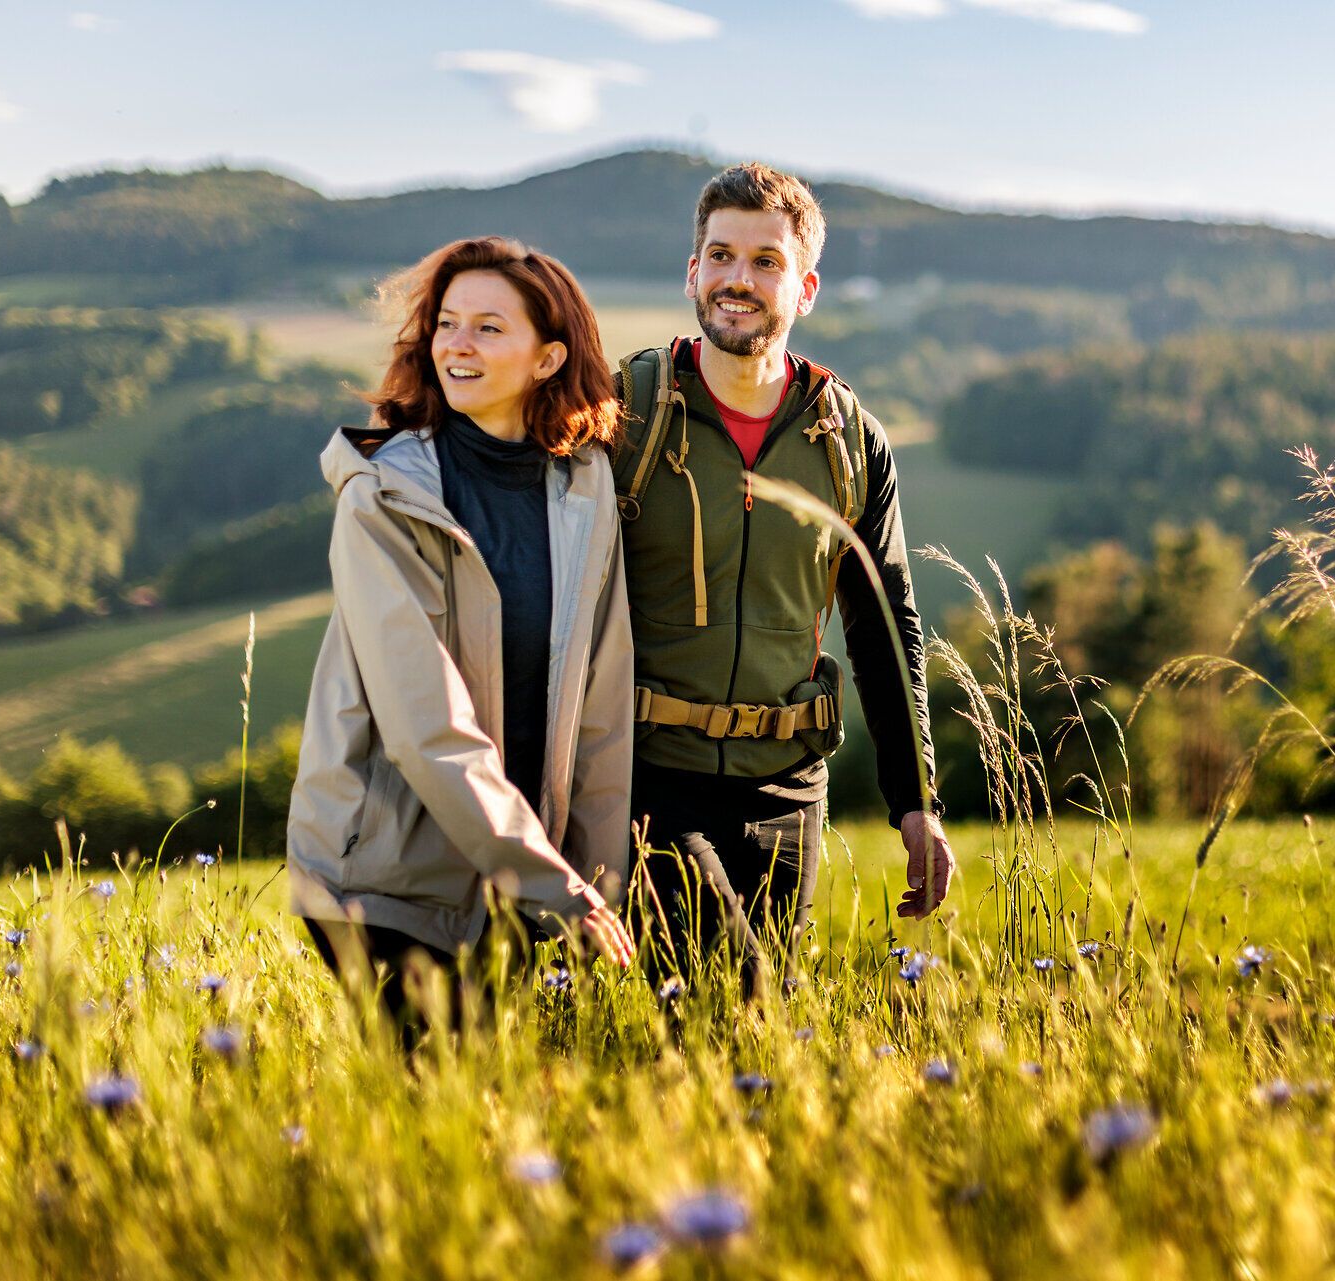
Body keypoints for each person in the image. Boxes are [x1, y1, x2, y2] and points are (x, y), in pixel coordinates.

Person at [611, 162, 955, 983]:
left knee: (748, 1039)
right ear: (693, 273)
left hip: (789, 790)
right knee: (736, 991)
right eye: (721, 255)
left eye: (765, 261)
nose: (739, 279)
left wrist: (916, 805)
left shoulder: (848, 438)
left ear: (805, 287)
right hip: (648, 779)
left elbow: (882, 622)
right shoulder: (628, 409)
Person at [287, 235, 636, 1031]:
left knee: (492, 1125)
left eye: (487, 327)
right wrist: (551, 884)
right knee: (438, 1110)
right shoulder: (382, 495)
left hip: (517, 876)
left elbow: (601, 707)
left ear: (547, 359)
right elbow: (425, 722)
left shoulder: (584, 488)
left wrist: (592, 886)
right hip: (386, 875)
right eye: (447, 322)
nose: (457, 345)